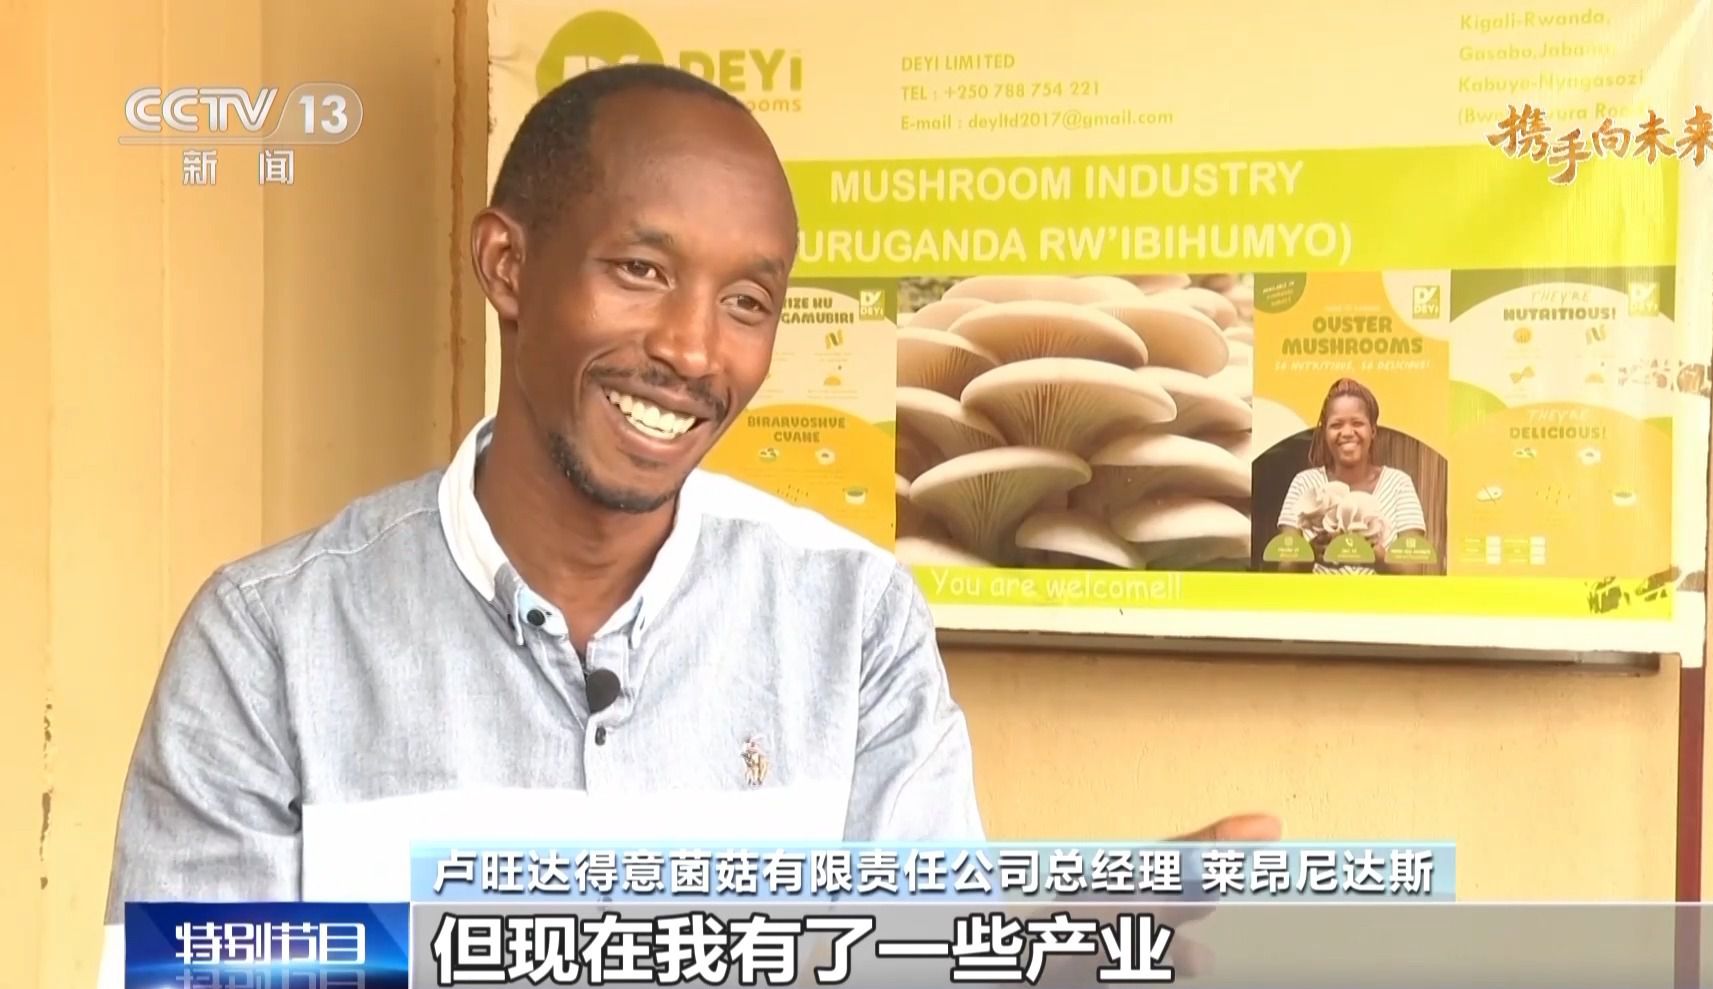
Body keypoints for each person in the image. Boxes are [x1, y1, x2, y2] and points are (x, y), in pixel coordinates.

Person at [96, 64, 1277, 983]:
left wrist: (1085, 937)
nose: (694, 350)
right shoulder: (268, 645)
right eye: (641, 270)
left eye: (747, 300)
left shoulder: (853, 622)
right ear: (507, 265)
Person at [1275, 378, 1429, 575]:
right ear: (1325, 432)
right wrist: (1310, 553)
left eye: (1357, 423)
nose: (1347, 432)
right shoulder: (1304, 483)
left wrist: (1375, 555)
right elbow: (1284, 569)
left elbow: (1413, 570)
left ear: (1373, 431)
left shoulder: (1399, 484)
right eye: (1336, 425)